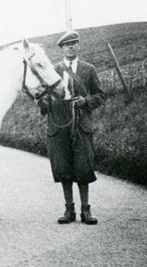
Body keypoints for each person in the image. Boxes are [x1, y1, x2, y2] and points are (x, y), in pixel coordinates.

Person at [37, 30, 105, 225]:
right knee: (63, 166)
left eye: (74, 44)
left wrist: (86, 100)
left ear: (78, 46)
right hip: (59, 124)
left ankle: (86, 210)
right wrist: (44, 104)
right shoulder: (53, 70)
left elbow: (100, 95)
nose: (71, 47)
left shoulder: (88, 69)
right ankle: (69, 210)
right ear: (62, 49)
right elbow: (45, 97)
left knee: (83, 166)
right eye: (67, 45)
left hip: (82, 124)